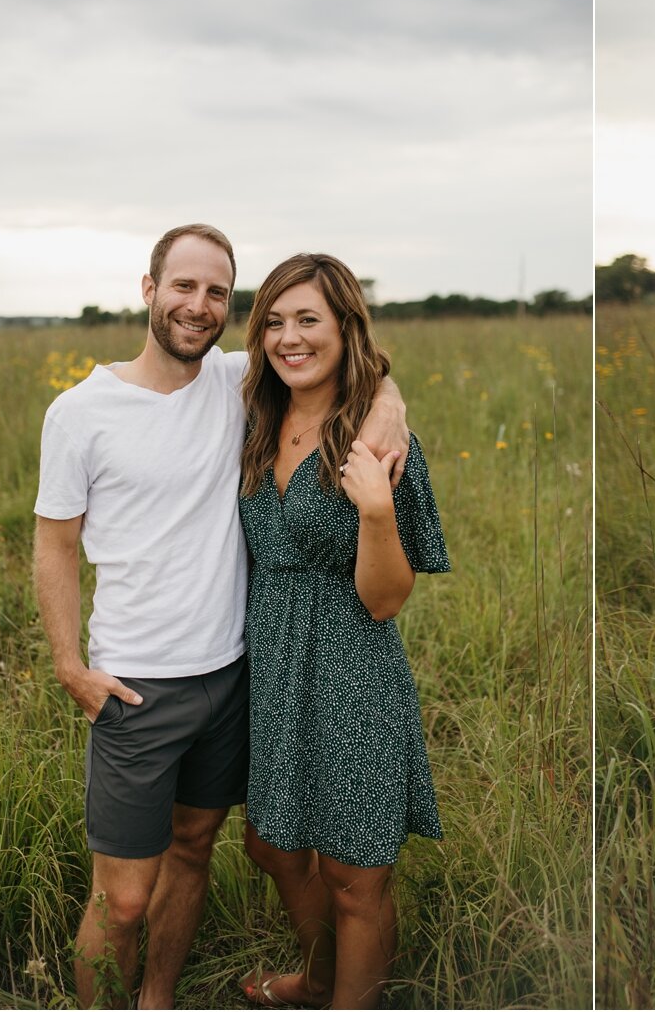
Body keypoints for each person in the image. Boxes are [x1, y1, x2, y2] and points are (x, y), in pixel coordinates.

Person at [35, 226, 405, 1009]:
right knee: (122, 899)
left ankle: (158, 999)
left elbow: (345, 360)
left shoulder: (238, 380)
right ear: (149, 288)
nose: (198, 306)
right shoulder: (80, 412)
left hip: (234, 676)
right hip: (135, 685)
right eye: (183, 286)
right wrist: (70, 663)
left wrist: (390, 406)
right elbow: (56, 545)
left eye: (215, 292)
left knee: (196, 847)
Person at [232, 254, 450, 1011]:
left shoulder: (381, 443)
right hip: (271, 661)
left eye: (309, 320)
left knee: (356, 874)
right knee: (274, 844)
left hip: (353, 663)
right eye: (274, 322)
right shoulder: (254, 416)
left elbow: (388, 600)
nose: (290, 338)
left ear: (345, 326)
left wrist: (377, 512)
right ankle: (317, 978)